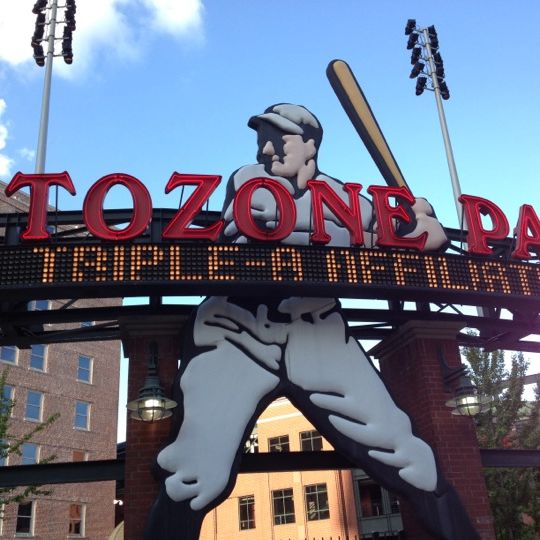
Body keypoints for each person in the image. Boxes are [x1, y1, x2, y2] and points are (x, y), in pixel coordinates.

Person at [145, 104, 479, 540]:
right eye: (261, 138)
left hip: (316, 327)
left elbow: (413, 240)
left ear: (310, 145)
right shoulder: (249, 181)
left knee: (406, 456)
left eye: (278, 138)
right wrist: (381, 230)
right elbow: (276, 221)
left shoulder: (351, 199)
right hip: (237, 329)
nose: (265, 148)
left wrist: (424, 227)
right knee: (195, 471)